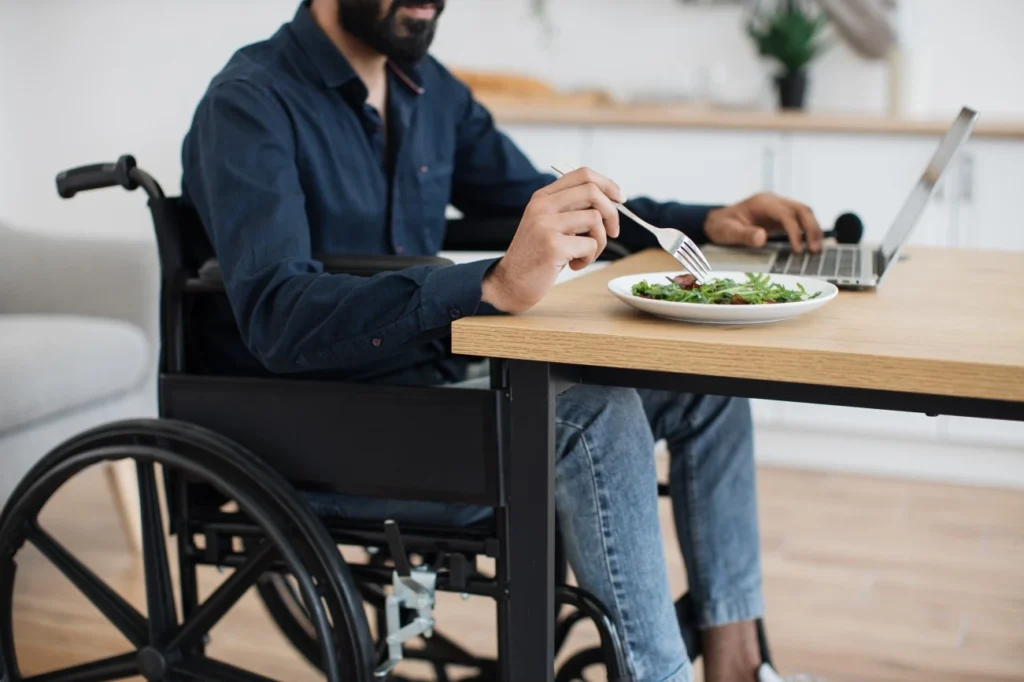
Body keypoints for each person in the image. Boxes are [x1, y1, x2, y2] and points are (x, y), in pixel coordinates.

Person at [180, 1, 825, 680]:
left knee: (705, 390)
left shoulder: (431, 93)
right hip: (317, 425)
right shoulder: (249, 102)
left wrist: (708, 221)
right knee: (587, 419)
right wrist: (490, 284)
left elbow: (542, 197)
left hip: (427, 387)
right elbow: (279, 316)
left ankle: (738, 665)